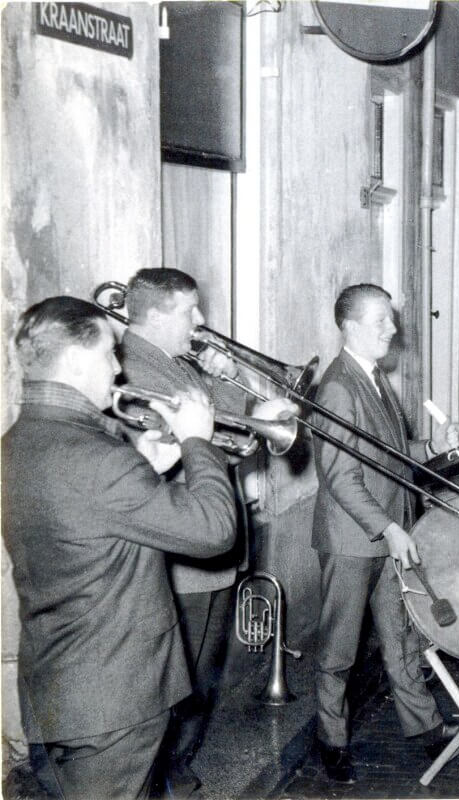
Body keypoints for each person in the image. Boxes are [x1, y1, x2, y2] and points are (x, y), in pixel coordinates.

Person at [2, 296, 237, 800]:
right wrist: (199, 442)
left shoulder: (18, 442)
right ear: (78, 360)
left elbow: (77, 520)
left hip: (55, 688)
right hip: (115, 697)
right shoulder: (99, 458)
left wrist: (144, 469)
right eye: (111, 353)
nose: (117, 366)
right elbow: (214, 529)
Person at [118, 267, 295, 796]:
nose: (200, 320)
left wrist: (218, 382)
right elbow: (172, 459)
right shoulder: (132, 370)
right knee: (178, 681)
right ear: (153, 315)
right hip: (182, 558)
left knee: (200, 675)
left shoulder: (177, 364)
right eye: (189, 310)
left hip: (211, 551)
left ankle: (179, 766)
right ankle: (166, 776)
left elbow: (230, 427)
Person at [310, 284, 459, 783]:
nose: (392, 329)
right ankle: (330, 741)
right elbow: (340, 477)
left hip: (389, 533)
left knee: (400, 634)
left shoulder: (373, 377)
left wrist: (431, 446)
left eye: (390, 320)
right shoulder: (337, 386)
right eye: (380, 321)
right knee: (339, 649)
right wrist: (389, 527)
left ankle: (424, 727)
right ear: (349, 327)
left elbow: (388, 461)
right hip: (353, 540)